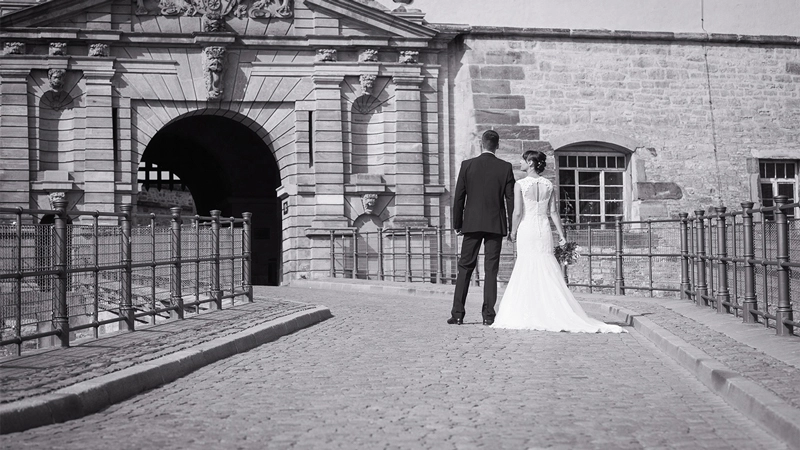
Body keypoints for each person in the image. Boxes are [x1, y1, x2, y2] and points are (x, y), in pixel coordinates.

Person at [492, 150, 626, 333]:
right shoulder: (548, 184)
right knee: (546, 265)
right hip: (544, 228)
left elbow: (517, 212)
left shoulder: (520, 185)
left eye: (523, 160)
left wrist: (512, 231)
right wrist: (562, 235)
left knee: (526, 265)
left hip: (527, 228)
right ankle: (551, 309)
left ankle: (529, 310)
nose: (520, 163)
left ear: (531, 163)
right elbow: (554, 212)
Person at [448, 130, 515, 326]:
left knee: (465, 268)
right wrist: (512, 227)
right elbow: (510, 199)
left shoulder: (467, 165)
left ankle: (458, 314)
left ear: (481, 144)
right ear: (497, 145)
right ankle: (488, 315)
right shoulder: (505, 167)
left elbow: (459, 197)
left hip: (472, 224)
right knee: (491, 270)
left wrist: (457, 224)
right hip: (495, 224)